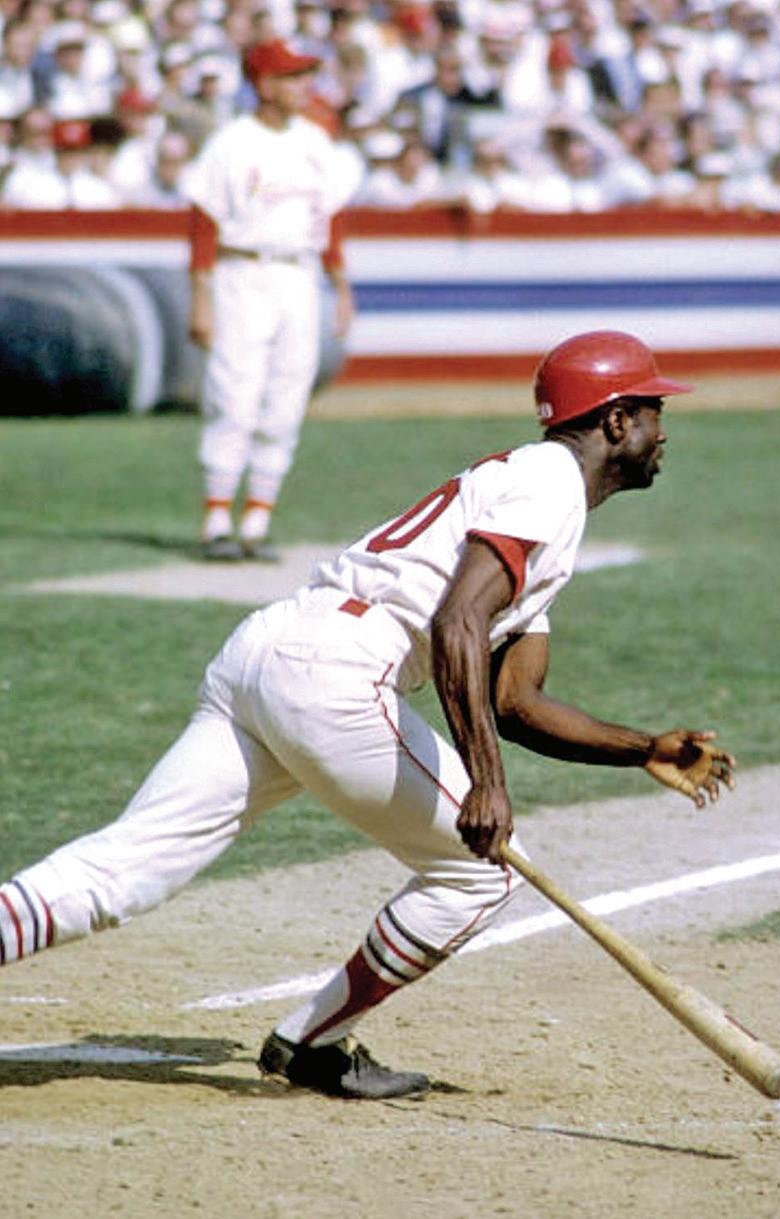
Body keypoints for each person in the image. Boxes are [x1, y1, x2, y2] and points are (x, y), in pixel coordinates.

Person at [0, 329, 736, 1100]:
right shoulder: (548, 486)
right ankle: (312, 1042)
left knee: (124, 866)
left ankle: (308, 1039)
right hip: (337, 674)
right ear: (615, 420)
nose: (664, 429)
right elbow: (457, 622)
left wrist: (641, 747)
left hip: (270, 651)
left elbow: (515, 701)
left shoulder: (532, 492)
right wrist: (487, 783)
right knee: (480, 876)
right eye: (653, 409)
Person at [184, 37, 361, 563]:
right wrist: (200, 296)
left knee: (287, 394)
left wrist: (341, 287)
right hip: (243, 269)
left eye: (306, 75)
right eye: (291, 77)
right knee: (235, 393)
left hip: (298, 274)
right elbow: (203, 223)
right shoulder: (232, 144)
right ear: (263, 84)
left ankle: (257, 520)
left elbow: (328, 220)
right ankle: (217, 519)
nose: (304, 85)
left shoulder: (315, 141)